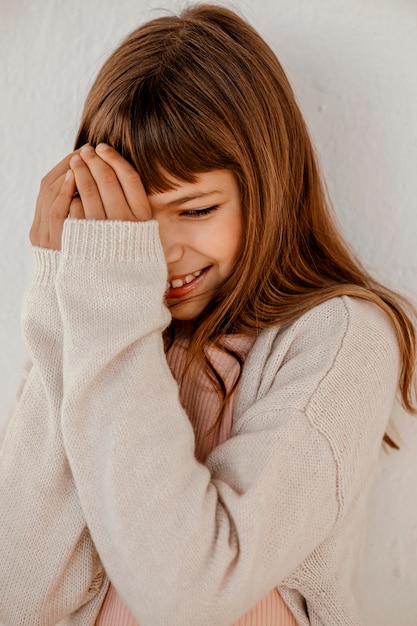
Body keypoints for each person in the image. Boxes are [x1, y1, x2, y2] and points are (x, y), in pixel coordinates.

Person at [0, 4, 416, 625]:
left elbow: (190, 595)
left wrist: (110, 307)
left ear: (268, 186)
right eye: (135, 217)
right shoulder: (101, 322)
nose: (161, 253)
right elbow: (20, 590)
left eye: (196, 211)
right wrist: (68, 289)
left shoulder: (343, 338)